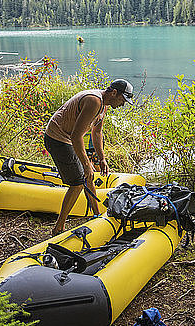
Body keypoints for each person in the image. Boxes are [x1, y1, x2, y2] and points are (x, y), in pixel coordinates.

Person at [44, 79, 134, 236]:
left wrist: (102, 158)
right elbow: (76, 136)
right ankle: (58, 228)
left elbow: (97, 132)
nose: (123, 104)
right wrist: (86, 164)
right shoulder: (93, 101)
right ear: (114, 93)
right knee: (78, 183)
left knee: (88, 177)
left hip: (67, 138)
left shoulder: (103, 105)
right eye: (122, 100)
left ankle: (96, 215)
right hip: (57, 138)